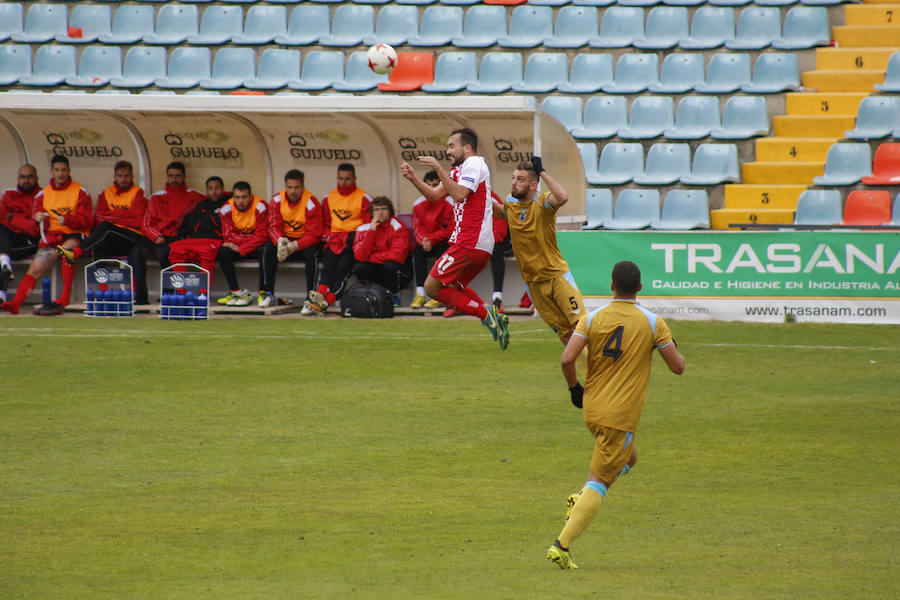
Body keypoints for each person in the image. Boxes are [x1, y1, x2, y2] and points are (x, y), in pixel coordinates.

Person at [546, 261, 685, 570]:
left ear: (612, 286)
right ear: (640, 288)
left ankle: (581, 497)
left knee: (629, 458)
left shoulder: (591, 318)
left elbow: (567, 359)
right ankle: (561, 545)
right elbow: (678, 367)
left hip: (593, 408)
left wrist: (574, 389)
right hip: (619, 415)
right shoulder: (653, 323)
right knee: (602, 480)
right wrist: (670, 345)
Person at [400, 127, 509, 350]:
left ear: (467, 148)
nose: (448, 151)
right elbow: (434, 196)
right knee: (452, 287)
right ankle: (492, 316)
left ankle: (486, 314)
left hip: (470, 241)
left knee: (431, 287)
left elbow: (459, 194)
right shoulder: (459, 170)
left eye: (451, 146)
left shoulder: (474, 163)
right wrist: (413, 178)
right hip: (473, 242)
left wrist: (438, 169)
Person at [494, 158, 586, 345]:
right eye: (513, 178)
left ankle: (602, 361)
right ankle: (582, 364)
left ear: (533, 185)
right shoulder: (510, 202)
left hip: (556, 276)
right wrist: (484, 199)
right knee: (565, 335)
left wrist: (542, 171)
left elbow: (562, 197)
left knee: (580, 326)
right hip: (532, 282)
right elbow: (503, 214)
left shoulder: (543, 203)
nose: (514, 182)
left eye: (520, 179)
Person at [1, 155, 92, 316]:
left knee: (67, 252)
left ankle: (64, 299)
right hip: (51, 238)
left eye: (63, 170)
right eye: (57, 170)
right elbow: (35, 224)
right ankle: (16, 303)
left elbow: (87, 220)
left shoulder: (80, 191)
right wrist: (37, 218)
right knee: (36, 267)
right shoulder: (43, 194)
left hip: (73, 235)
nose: (60, 174)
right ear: (52, 172)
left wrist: (67, 219)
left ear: (69, 171)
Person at [55, 160, 147, 271]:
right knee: (100, 238)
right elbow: (98, 218)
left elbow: (137, 221)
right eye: (120, 176)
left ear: (132, 176)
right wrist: (125, 214)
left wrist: (112, 216)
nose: (123, 179)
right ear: (114, 177)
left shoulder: (138, 192)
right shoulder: (106, 192)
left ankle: (77, 252)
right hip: (112, 236)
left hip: (132, 237)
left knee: (105, 227)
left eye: (127, 176)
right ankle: (102, 280)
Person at [305, 163, 372, 314]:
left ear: (354, 178)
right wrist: (328, 236)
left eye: (347, 179)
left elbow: (368, 225)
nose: (344, 182)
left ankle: (326, 302)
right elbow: (325, 224)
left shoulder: (364, 198)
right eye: (341, 178)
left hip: (352, 243)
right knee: (327, 270)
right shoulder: (328, 198)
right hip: (333, 241)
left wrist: (356, 239)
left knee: (342, 271)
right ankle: (320, 297)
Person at [135, 161, 204, 304]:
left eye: (177, 176)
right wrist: (156, 236)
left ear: (184, 177)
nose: (174, 179)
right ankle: (141, 297)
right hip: (156, 237)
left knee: (165, 252)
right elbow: (146, 224)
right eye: (171, 176)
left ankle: (168, 295)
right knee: (136, 253)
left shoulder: (194, 196)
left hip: (177, 238)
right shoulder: (156, 197)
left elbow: (214, 200)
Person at [269, 169, 323, 315]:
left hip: (304, 243)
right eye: (290, 187)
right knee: (266, 249)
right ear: (285, 186)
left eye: (297, 187)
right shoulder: (277, 200)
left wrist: (295, 246)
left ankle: (311, 299)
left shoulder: (311, 203)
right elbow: (273, 226)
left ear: (303, 187)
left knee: (312, 254)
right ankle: (268, 293)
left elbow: (314, 235)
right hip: (285, 241)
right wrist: (280, 241)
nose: (293, 191)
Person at [216, 181, 276, 307]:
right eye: (237, 197)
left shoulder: (260, 206)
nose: (240, 201)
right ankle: (236, 292)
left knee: (267, 249)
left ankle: (264, 292)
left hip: (254, 247)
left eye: (244, 197)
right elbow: (228, 235)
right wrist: (247, 241)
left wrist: (241, 248)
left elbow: (262, 236)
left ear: (250, 196)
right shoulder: (226, 209)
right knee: (223, 251)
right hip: (243, 245)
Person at [167, 176, 228, 286]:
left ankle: (203, 292)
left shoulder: (229, 204)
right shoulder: (200, 205)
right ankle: (180, 291)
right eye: (210, 188)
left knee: (206, 252)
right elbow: (187, 224)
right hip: (195, 239)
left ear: (222, 189)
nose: (214, 192)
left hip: (214, 239)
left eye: (217, 188)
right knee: (176, 250)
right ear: (207, 190)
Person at [351, 196, 411, 304]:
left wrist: (371, 258)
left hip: (397, 271)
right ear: (371, 212)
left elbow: (397, 255)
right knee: (359, 267)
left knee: (389, 265)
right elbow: (359, 256)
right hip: (376, 268)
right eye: (376, 209)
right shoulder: (363, 228)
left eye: (384, 209)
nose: (380, 212)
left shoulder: (398, 227)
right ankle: (373, 295)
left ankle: (394, 295)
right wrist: (372, 231)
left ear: (390, 211)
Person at [409, 170, 454, 310]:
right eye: (428, 185)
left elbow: (449, 230)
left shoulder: (449, 201)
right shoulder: (418, 203)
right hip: (427, 243)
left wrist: (431, 239)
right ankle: (420, 293)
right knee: (418, 251)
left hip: (442, 242)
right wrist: (424, 241)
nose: (431, 189)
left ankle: (438, 294)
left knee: (442, 248)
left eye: (435, 185)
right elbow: (417, 227)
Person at [0, 164, 41, 302]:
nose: (26, 180)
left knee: (2, 251)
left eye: (30, 177)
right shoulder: (8, 193)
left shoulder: (42, 195)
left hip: (29, 242)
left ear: (36, 178)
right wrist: (24, 222)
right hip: (8, 238)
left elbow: (35, 229)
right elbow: (2, 218)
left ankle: (1, 294)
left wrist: (12, 218)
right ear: (18, 178)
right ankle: (4, 263)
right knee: (1, 231)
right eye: (23, 177)